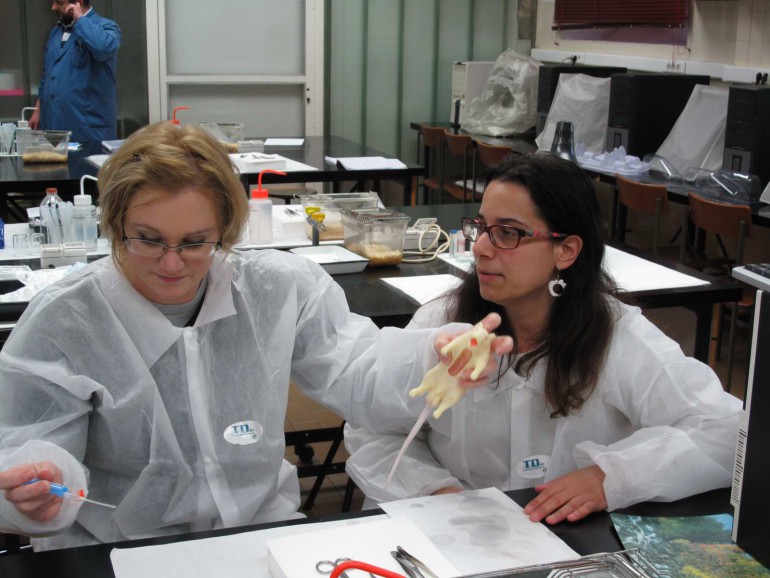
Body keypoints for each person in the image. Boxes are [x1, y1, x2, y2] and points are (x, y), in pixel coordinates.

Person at [0, 122, 511, 550]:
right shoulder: (68, 320)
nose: (172, 264)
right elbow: (26, 443)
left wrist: (430, 359)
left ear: (226, 229)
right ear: (114, 225)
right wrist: (36, 486)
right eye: (148, 240)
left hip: (262, 535)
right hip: (125, 551)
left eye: (196, 242)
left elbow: (356, 367)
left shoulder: (275, 288)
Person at [345, 154, 742, 524]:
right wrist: (436, 491)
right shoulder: (442, 324)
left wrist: (611, 477)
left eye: (507, 233)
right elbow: (372, 428)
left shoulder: (618, 338)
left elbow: (726, 432)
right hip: (450, 529)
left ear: (566, 250)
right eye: (481, 228)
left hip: (567, 538)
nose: (480, 248)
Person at [29, 0, 121, 142]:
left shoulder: (106, 27)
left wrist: (80, 20)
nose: (53, 7)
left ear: (78, 2)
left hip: (88, 132)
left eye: (59, 2)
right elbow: (48, 74)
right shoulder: (56, 32)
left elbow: (104, 48)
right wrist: (38, 110)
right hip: (54, 128)